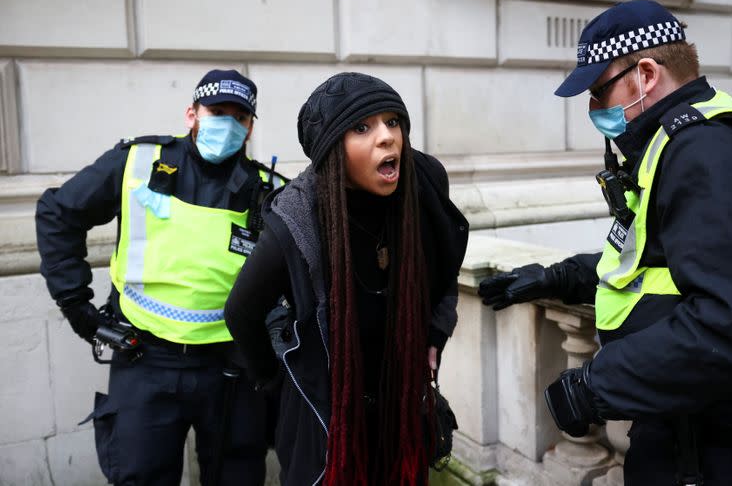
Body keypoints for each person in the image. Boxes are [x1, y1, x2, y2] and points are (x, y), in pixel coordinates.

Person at [478, 0, 732, 485]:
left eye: (598, 90)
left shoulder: (703, 151)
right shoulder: (682, 140)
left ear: (645, 73)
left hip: (721, 442)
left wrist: (593, 388)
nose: (592, 109)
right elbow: (654, 263)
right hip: (693, 425)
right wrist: (560, 277)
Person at [36, 69, 287, 486]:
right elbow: (58, 213)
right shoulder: (136, 162)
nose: (226, 123)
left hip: (233, 365)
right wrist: (77, 306)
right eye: (216, 111)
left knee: (238, 476)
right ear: (192, 113)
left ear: (250, 127)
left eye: (238, 117)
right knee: (141, 476)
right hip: (145, 358)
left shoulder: (270, 190)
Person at [223, 71, 468, 485]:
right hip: (326, 426)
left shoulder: (422, 184)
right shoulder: (296, 219)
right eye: (362, 127)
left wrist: (435, 331)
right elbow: (241, 313)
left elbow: (444, 264)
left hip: (400, 411)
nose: (387, 137)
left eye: (393, 122)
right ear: (333, 148)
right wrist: (279, 382)